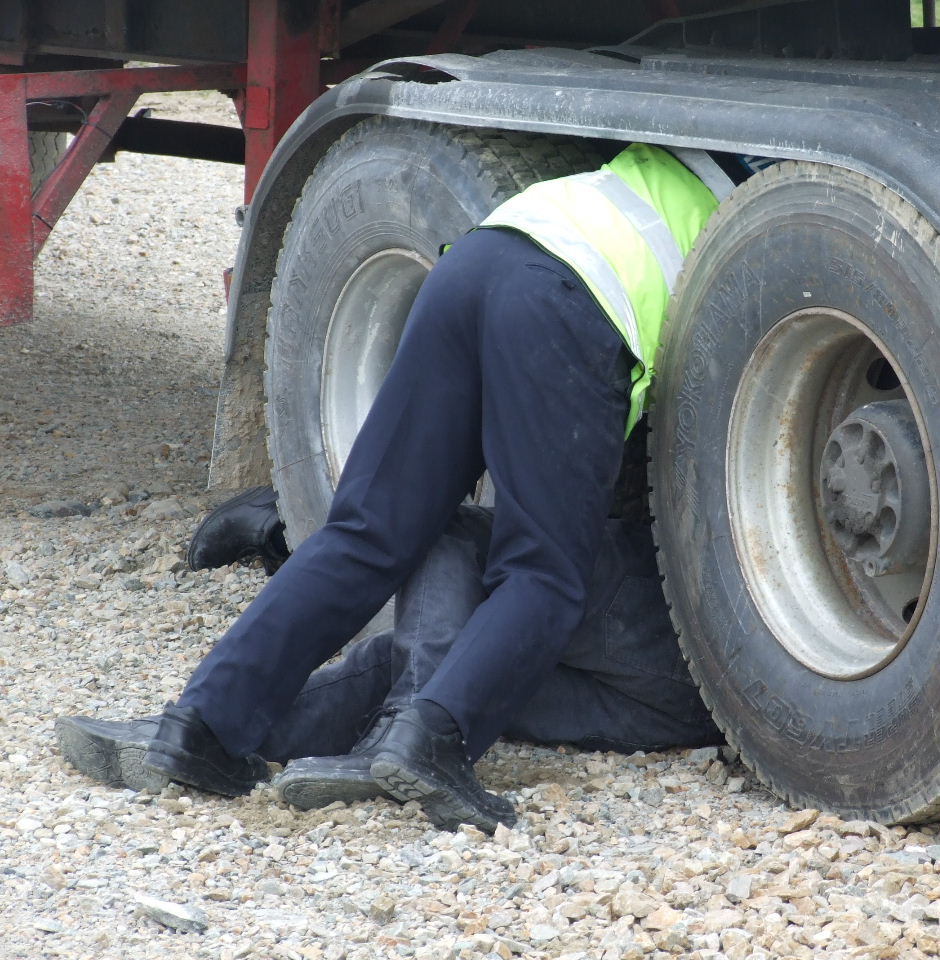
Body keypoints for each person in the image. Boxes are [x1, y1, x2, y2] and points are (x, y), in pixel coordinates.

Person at [54, 142, 737, 834]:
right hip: (566, 302)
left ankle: (200, 728)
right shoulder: (748, 215)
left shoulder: (656, 171)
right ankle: (431, 742)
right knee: (542, 571)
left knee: (366, 531)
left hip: (476, 262)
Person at [58, 503, 722, 811]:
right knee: (436, 665)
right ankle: (225, 745)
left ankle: (399, 735)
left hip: (658, 614)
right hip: (703, 706)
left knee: (442, 525)